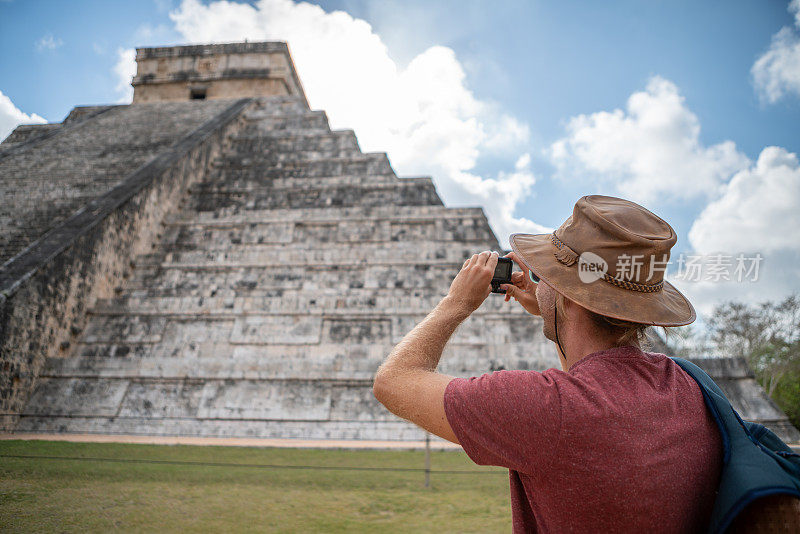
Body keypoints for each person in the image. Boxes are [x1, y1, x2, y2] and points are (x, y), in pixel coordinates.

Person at [373, 195, 723, 533]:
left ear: (569, 296)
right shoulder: (689, 386)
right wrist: (556, 309)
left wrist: (456, 303)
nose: (538, 284)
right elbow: (591, 376)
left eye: (546, 277)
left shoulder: (544, 409)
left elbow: (393, 380)